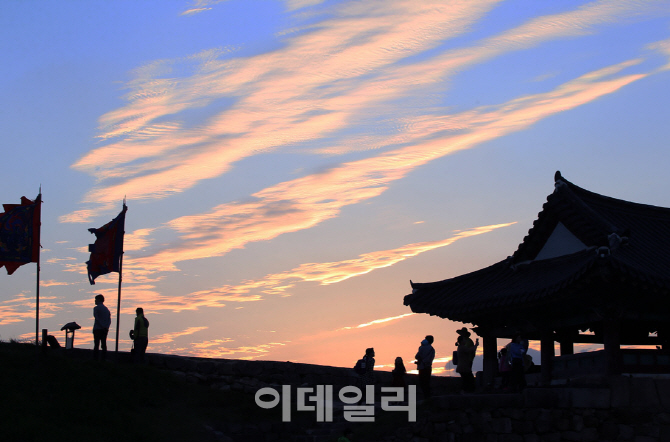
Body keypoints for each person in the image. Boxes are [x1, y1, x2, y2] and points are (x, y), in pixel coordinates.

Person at [455, 327, 478, 393]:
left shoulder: (461, 346)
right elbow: (471, 350)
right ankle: (466, 392)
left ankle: (465, 392)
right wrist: (476, 345)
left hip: (463, 365)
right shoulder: (462, 347)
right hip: (464, 366)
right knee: (468, 380)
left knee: (466, 380)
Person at [415, 335, 435, 399]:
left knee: (422, 382)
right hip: (428, 367)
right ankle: (428, 396)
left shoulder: (422, 348)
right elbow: (431, 358)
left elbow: (416, 356)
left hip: (422, 367)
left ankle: (425, 396)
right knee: (427, 382)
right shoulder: (432, 349)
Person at [92, 294, 111, 361]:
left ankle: (95, 359)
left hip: (97, 328)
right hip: (105, 329)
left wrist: (101, 325)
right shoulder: (106, 310)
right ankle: (104, 358)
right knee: (104, 344)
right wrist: (106, 327)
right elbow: (109, 320)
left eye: (96, 299)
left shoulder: (96, 308)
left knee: (96, 344)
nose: (95, 301)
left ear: (99, 300)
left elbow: (97, 318)